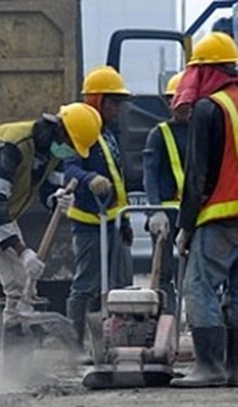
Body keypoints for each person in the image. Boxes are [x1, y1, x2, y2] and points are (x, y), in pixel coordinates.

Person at [0, 102, 103, 383]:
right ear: (58, 131)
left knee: (19, 284)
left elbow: (47, 189)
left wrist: (58, 198)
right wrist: (23, 251)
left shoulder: (53, 151)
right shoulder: (11, 146)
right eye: (69, 144)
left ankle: (14, 368)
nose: (69, 151)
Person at [170, 32, 238, 388]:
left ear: (206, 71)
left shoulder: (211, 108)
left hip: (221, 216)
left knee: (201, 287)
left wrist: (186, 225)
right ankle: (235, 369)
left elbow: (197, 174)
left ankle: (209, 366)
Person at [64, 66, 133, 357]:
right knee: (86, 283)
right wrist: (88, 178)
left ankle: (114, 341)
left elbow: (118, 178)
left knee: (117, 285)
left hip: (113, 221)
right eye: (113, 102)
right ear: (97, 100)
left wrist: (125, 219)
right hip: (89, 223)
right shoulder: (81, 129)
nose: (118, 108)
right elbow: (66, 165)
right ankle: (74, 344)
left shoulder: (109, 134)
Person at [141, 71, 189, 315]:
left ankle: (194, 322)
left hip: (193, 213)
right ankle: (166, 321)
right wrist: (155, 209)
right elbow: (149, 174)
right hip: (166, 213)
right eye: (176, 99)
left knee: (194, 273)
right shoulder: (158, 134)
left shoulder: (203, 130)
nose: (182, 105)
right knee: (164, 272)